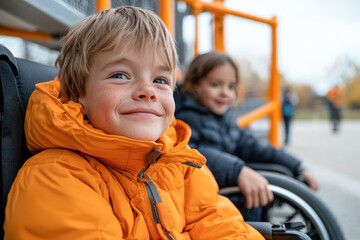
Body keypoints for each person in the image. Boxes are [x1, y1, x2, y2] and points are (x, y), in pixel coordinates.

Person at [4, 7, 264, 239]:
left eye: (160, 80)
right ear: (77, 94)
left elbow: (219, 223)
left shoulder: (180, 164)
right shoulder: (56, 176)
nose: (147, 91)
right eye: (120, 75)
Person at [175, 51, 319, 220]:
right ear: (194, 85)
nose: (225, 93)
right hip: (204, 200)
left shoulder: (225, 121)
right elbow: (192, 152)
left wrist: (297, 166)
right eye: (215, 84)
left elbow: (256, 147)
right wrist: (238, 171)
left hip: (225, 188)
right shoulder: (185, 118)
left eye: (231, 87)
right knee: (251, 182)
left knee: (280, 171)